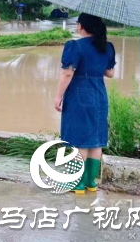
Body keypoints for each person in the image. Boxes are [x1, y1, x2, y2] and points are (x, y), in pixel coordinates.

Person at [54, 13, 115, 194]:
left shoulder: (75, 46)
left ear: (81, 26)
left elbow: (67, 73)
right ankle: (90, 182)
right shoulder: (107, 46)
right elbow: (110, 73)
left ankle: (77, 183)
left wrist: (58, 96)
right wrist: (95, 66)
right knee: (95, 141)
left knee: (79, 139)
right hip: (99, 95)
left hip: (80, 94)